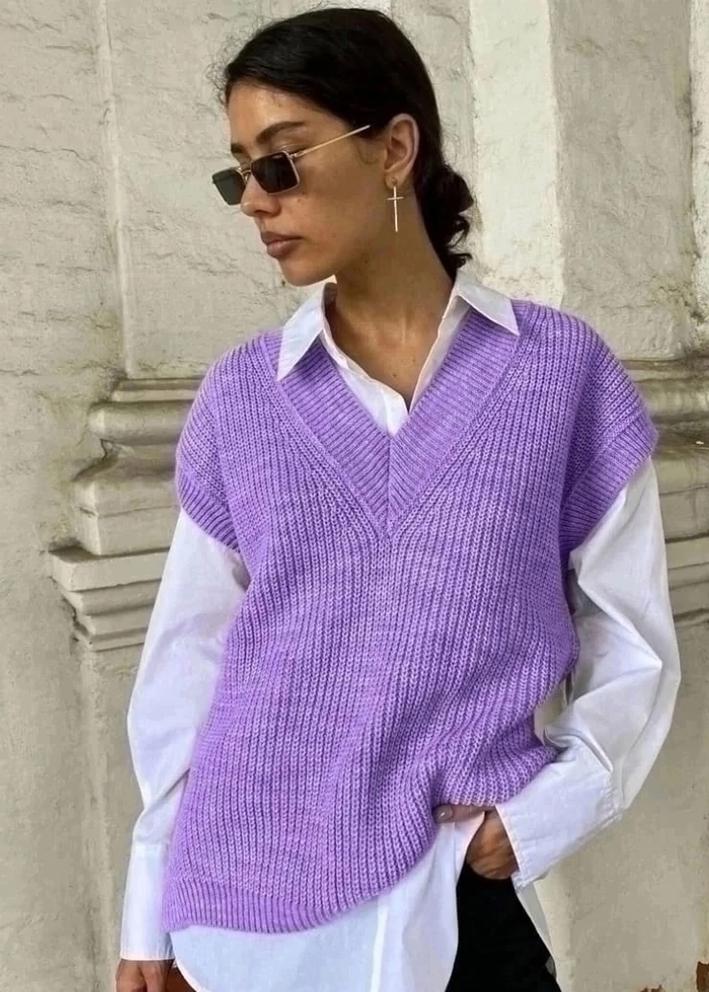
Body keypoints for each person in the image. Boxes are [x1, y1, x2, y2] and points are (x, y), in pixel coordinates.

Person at [115, 8, 681, 992]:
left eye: (281, 162)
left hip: (454, 886)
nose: (255, 201)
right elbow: (186, 669)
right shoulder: (244, 400)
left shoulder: (560, 377)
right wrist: (148, 915)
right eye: (238, 174)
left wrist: (544, 813)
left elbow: (629, 636)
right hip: (248, 914)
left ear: (394, 148)